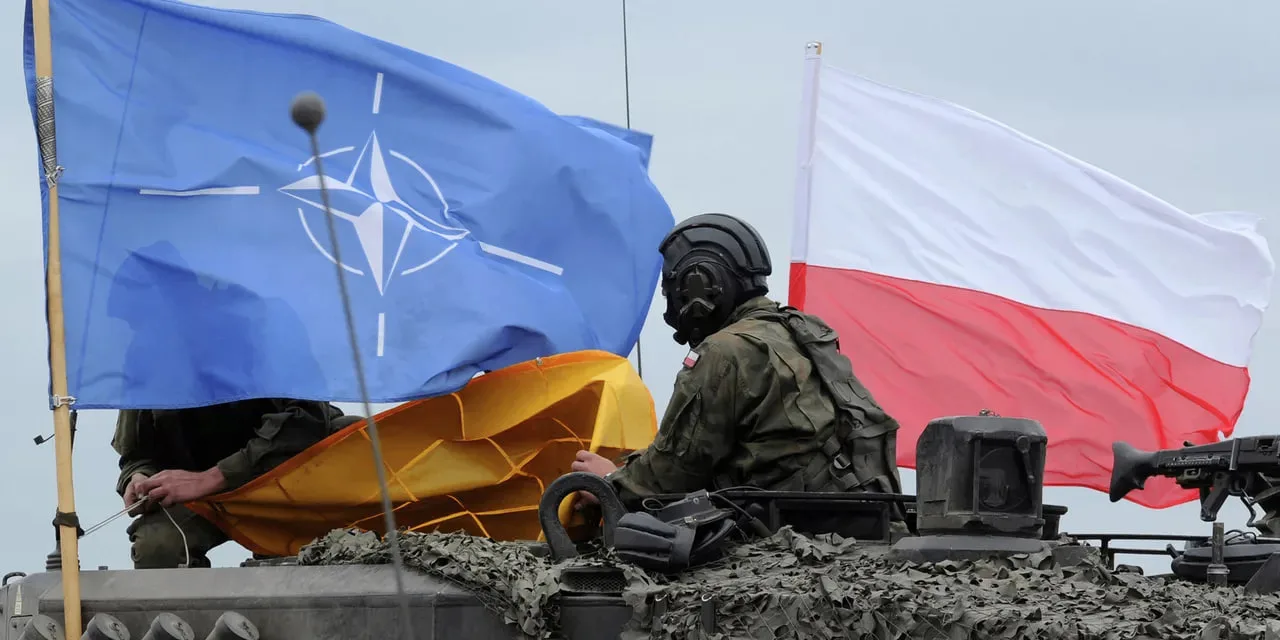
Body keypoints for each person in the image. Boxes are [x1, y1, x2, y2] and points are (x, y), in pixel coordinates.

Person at [572, 213, 905, 512]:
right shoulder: (798, 331)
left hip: (800, 527)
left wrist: (612, 481)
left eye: (674, 292)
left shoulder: (725, 351)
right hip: (863, 517)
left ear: (698, 287)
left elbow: (671, 474)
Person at [114, 399, 357, 569]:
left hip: (287, 478)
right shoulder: (146, 357)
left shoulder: (275, 342)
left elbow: (306, 421)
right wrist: (139, 478)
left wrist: (214, 477)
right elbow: (137, 453)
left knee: (360, 443)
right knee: (157, 547)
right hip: (197, 499)